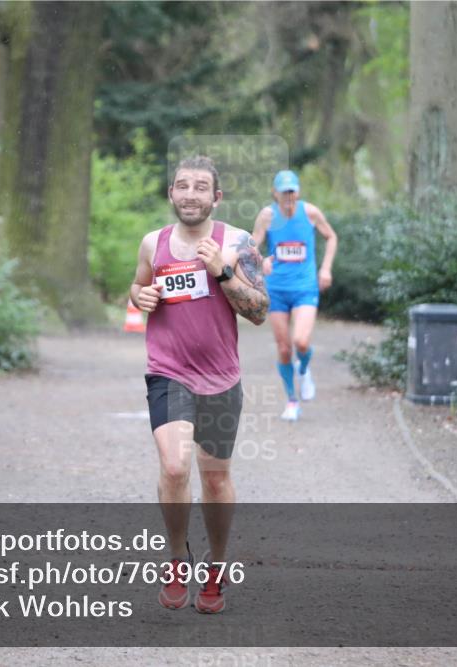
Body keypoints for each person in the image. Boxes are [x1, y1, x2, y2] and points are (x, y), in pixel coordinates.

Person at [130, 155, 269, 613]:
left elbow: (258, 311)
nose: (191, 194)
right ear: (171, 193)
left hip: (220, 378)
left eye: (200, 187)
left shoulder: (237, 243)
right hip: (168, 371)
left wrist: (223, 272)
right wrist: (141, 297)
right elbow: (137, 289)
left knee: (215, 478)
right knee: (174, 468)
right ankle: (175, 558)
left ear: (216, 197)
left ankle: (217, 566)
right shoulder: (155, 243)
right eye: (182, 186)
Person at [251, 170, 337, 422]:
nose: (288, 197)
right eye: (284, 192)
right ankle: (291, 400)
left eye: (292, 191)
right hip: (276, 289)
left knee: (301, 341)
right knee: (284, 348)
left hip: (304, 288)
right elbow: (252, 247)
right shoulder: (267, 216)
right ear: (274, 193)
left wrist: (326, 268)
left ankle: (305, 369)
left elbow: (331, 237)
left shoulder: (310, 212)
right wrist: (261, 261)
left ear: (297, 192)